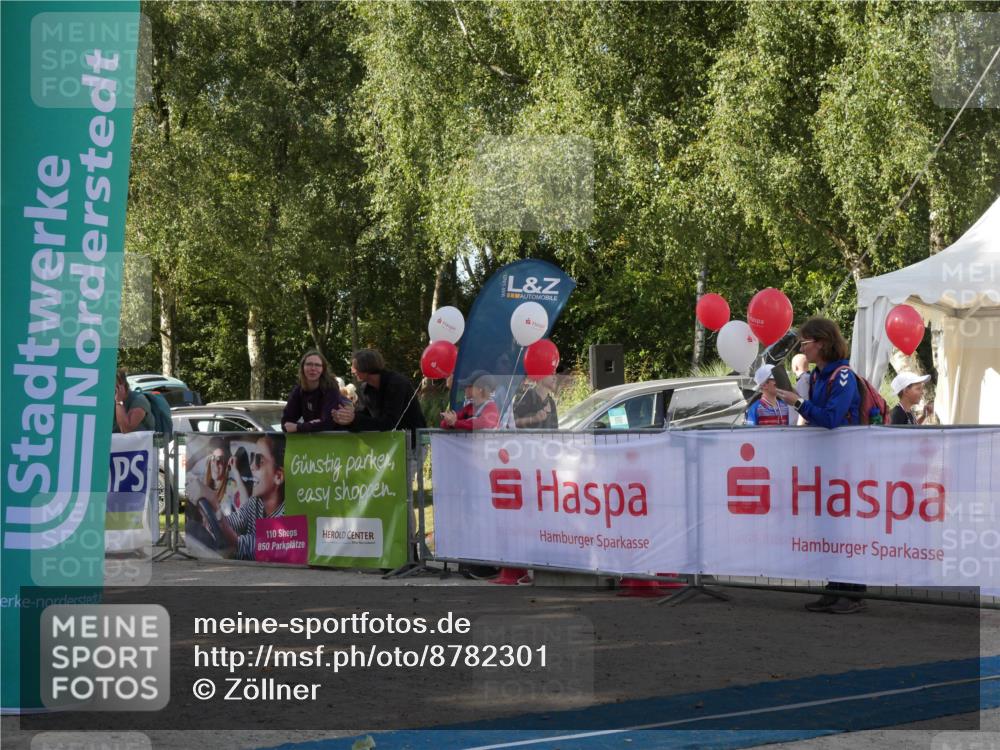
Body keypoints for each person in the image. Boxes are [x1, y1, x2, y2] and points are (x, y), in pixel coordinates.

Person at [776, 318, 865, 614]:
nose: (802, 349)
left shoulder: (843, 375)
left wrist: (799, 403)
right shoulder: (817, 376)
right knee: (829, 525)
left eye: (805, 343)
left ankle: (853, 593)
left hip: (848, 463)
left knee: (846, 527)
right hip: (827, 463)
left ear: (822, 343)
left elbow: (831, 418)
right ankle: (835, 586)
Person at [332, 349, 427, 440]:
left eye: (355, 367)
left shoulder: (397, 384)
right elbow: (365, 415)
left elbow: (389, 422)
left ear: (366, 367)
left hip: (412, 441)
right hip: (388, 442)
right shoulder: (365, 389)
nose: (352, 371)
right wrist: (346, 418)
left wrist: (354, 418)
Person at [221, 434, 285, 561]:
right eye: (252, 458)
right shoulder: (255, 503)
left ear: (278, 477)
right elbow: (235, 521)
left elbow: (249, 545)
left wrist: (215, 511)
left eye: (259, 461)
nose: (251, 466)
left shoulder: (287, 514)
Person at [282, 350, 345, 433]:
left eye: (317, 365)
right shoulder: (299, 390)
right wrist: (312, 425)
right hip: (311, 439)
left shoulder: (331, 389)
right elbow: (286, 423)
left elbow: (327, 424)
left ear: (323, 369)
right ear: (302, 367)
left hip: (337, 439)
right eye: (309, 364)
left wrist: (298, 427)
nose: (313, 368)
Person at [113, 369, 155, 433]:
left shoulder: (139, 400)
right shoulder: (109, 400)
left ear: (121, 384)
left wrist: (119, 402)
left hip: (141, 439)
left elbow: (126, 429)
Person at [791, 353, 811, 425]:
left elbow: (803, 402)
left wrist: (800, 426)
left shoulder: (803, 380)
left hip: (800, 426)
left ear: (795, 367)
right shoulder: (808, 378)